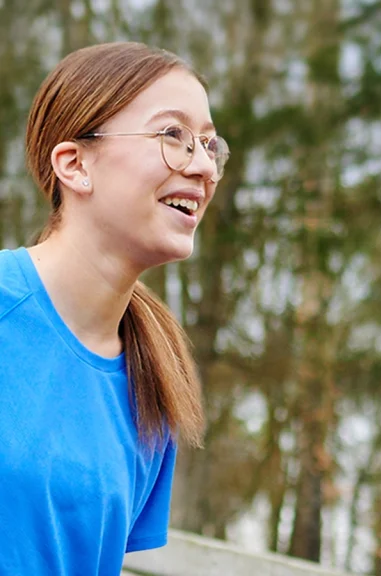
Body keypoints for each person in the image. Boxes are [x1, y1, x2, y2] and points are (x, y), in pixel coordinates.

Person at [0, 42, 228, 575]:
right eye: (172, 135)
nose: (203, 167)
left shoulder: (158, 379)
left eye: (209, 144)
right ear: (75, 164)